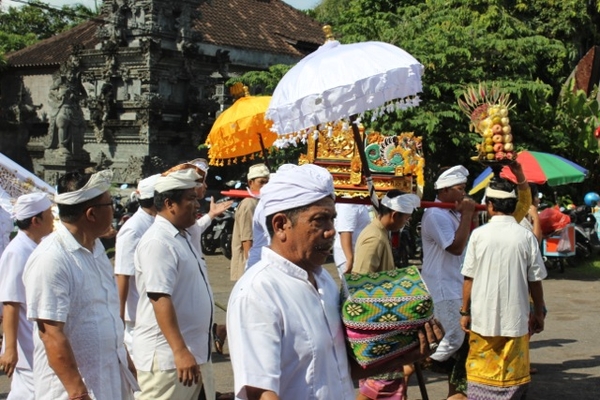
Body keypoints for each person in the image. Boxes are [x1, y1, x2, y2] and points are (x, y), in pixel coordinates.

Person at [227, 163, 444, 400]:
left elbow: (340, 369)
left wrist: (404, 356)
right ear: (281, 225)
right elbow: (260, 392)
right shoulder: (258, 292)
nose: (331, 231)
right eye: (319, 220)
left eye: (332, 220)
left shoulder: (324, 283)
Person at [23, 170, 138, 400]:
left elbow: (105, 313)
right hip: (75, 391)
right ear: (91, 214)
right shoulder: (52, 258)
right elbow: (51, 333)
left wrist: (125, 361)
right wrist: (77, 392)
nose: (113, 210)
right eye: (109, 204)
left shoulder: (96, 249)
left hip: (110, 381)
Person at [133, 164, 215, 400]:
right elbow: (160, 298)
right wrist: (179, 351)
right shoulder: (158, 242)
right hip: (169, 361)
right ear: (170, 204)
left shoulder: (182, 236)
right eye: (191, 199)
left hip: (195, 355)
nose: (197, 205)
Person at [461, 178, 546, 399]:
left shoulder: (479, 235)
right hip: (515, 320)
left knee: (481, 374)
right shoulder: (526, 236)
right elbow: (535, 281)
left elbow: (468, 278)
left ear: (490, 205)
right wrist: (538, 312)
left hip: (482, 319)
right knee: (513, 380)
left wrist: (464, 311)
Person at [352, 190, 421, 400]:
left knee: (388, 382)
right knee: (381, 384)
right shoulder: (374, 238)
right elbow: (360, 285)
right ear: (394, 215)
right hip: (375, 326)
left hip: (383, 323)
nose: (406, 224)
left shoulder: (380, 232)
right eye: (406, 219)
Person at [0, 193, 54, 399]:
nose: (53, 219)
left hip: (36, 342)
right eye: (49, 215)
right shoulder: (17, 252)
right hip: (25, 346)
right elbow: (11, 304)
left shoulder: (36, 246)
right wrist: (11, 349)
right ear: (35, 221)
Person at [114, 173, 160, 355]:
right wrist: (119, 316)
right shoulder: (133, 229)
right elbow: (122, 274)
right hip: (136, 315)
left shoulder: (155, 222)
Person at [230, 163, 270, 280]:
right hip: (248, 264)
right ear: (250, 183)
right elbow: (247, 239)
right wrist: (252, 266)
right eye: (261, 182)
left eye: (267, 182)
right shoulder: (249, 204)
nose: (265, 186)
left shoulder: (260, 202)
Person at [333, 203, 372, 276]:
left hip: (358, 254)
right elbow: (345, 231)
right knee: (353, 285)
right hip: (349, 255)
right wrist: (350, 259)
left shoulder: (359, 202)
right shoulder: (348, 203)